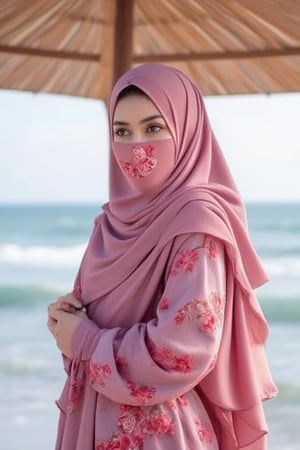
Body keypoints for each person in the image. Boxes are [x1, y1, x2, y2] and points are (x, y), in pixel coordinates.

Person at [47, 63, 277, 450]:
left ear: (186, 131)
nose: (137, 148)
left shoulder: (196, 219)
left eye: (153, 128)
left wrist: (86, 341)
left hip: (157, 433)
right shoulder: (110, 223)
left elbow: (182, 348)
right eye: (122, 132)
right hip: (91, 418)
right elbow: (98, 325)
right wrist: (67, 317)